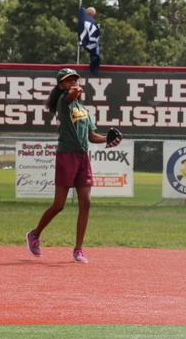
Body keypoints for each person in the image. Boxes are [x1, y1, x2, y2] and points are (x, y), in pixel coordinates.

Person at [25, 67, 121, 263]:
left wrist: (107, 140)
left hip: (82, 157)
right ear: (60, 85)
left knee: (86, 202)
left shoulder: (83, 109)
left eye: (75, 79)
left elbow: (92, 136)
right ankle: (34, 234)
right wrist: (74, 90)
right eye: (68, 80)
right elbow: (72, 94)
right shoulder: (63, 101)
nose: (73, 82)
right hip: (66, 155)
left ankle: (78, 249)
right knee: (59, 205)